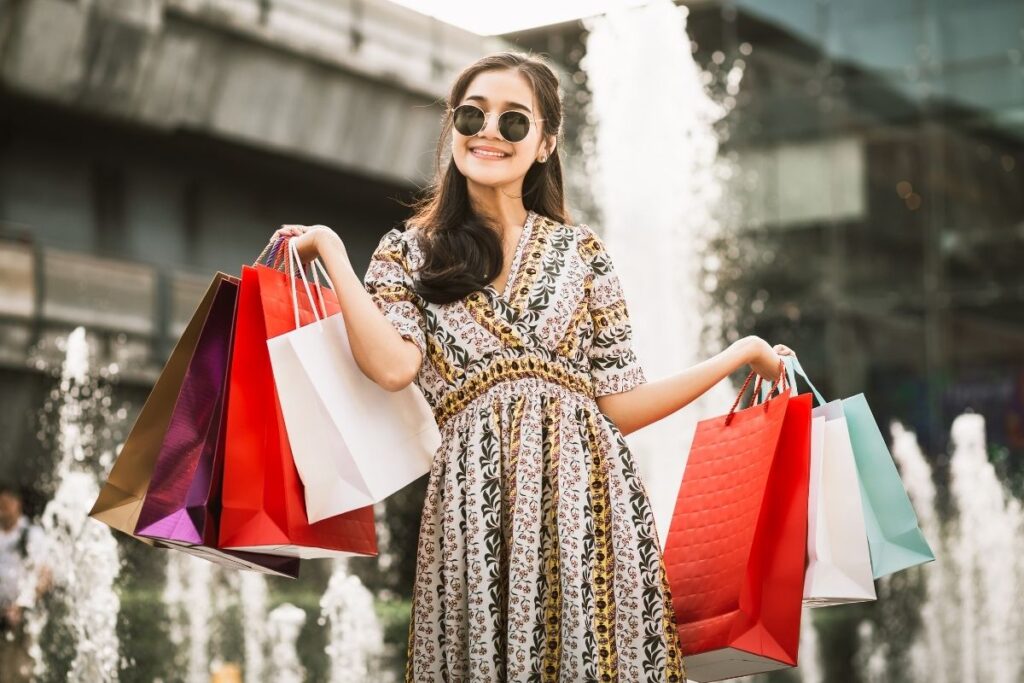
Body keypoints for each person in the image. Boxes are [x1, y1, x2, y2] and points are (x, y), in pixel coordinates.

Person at [268, 51, 795, 682]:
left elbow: (618, 405)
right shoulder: (410, 251)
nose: (489, 131)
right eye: (473, 114)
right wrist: (330, 248)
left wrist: (735, 356)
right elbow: (391, 368)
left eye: (514, 121)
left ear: (545, 143)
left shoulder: (583, 253)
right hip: (477, 498)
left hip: (591, 499)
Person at [0, 483, 51, 683]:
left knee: (18, 673)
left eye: (6, 504)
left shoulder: (31, 535)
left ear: (17, 504)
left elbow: (45, 575)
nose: (2, 509)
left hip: (20, 617)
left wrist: (21, 605)